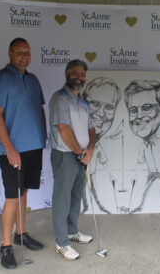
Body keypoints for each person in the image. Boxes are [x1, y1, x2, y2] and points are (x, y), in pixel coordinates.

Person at [0, 37, 46, 269]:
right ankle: (6, 246)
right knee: (12, 196)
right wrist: (10, 149)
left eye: (28, 52)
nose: (25, 55)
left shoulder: (32, 79)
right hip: (13, 151)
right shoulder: (1, 79)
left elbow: (38, 109)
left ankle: (21, 234)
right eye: (20, 51)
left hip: (33, 147)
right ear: (10, 53)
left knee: (23, 193)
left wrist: (43, 138)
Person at [49, 59, 96, 261]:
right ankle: (61, 243)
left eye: (83, 74)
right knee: (62, 199)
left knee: (76, 195)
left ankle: (71, 231)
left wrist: (90, 150)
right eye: (75, 73)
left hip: (81, 155)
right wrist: (80, 153)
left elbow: (91, 129)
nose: (80, 77)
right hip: (66, 155)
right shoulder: (60, 99)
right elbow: (64, 130)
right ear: (67, 75)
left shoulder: (83, 101)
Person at [124, 80, 160, 213]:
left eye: (147, 107)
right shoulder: (143, 146)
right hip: (151, 171)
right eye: (133, 110)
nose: (139, 116)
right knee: (145, 187)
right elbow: (140, 160)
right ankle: (141, 205)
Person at [81, 77, 121, 214]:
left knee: (92, 190)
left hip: (90, 174)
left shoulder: (99, 146)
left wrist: (111, 175)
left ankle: (95, 206)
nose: (101, 113)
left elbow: (104, 162)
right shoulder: (75, 140)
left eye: (109, 107)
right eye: (95, 104)